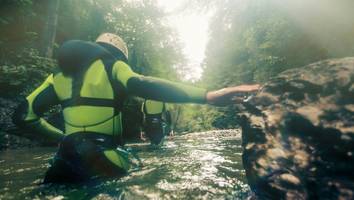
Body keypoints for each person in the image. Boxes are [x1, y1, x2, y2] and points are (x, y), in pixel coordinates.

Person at [13, 33, 260, 183]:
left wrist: (65, 137)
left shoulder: (58, 75)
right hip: (103, 158)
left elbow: (23, 115)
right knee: (143, 171)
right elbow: (144, 85)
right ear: (120, 54)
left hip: (63, 160)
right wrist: (208, 96)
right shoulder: (114, 66)